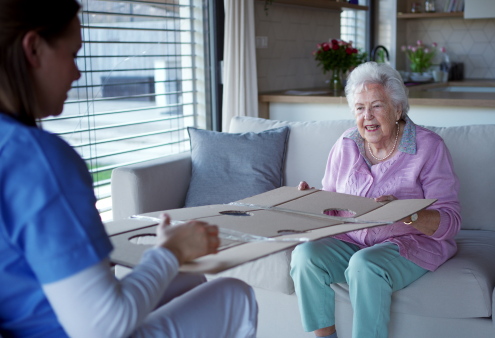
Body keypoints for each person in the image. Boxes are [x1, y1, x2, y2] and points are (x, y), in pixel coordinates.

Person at [0, 0, 257, 337]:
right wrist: (171, 251)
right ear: (33, 48)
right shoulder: (37, 159)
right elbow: (104, 326)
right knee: (234, 295)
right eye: (74, 55)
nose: (78, 73)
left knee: (188, 279)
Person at [291, 62, 461, 338]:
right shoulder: (344, 144)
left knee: (365, 265)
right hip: (350, 241)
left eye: (377, 106)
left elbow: (451, 222)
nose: (367, 116)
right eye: (360, 108)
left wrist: (409, 214)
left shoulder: (429, 148)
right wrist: (311, 201)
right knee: (305, 255)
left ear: (397, 109)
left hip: (408, 245)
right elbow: (330, 211)